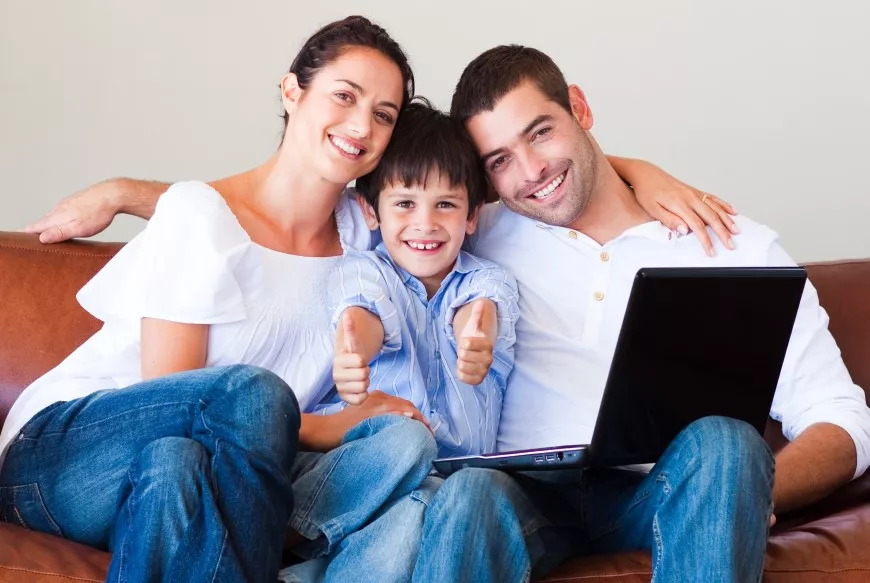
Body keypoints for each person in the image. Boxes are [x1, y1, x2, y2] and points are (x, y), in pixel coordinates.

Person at [0, 16, 442, 583]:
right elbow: (178, 398)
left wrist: (130, 193)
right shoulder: (199, 215)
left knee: (176, 470)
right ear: (292, 91)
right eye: (344, 96)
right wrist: (334, 426)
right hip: (61, 456)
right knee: (245, 394)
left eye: (383, 115)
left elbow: (463, 196)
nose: (361, 124)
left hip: (180, 468)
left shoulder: (365, 234)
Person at [409, 45, 870, 583]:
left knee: (726, 442)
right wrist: (635, 170)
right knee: (467, 492)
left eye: (540, 133)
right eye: (500, 160)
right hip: (524, 495)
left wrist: (744, 490)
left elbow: (843, 422)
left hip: (664, 492)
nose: (531, 172)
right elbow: (367, 200)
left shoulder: (732, 246)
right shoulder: (471, 229)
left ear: (579, 108)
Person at [318, 98, 519, 457]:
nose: (425, 224)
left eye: (445, 204)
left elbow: (475, 311)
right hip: (378, 460)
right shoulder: (365, 270)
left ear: (472, 215)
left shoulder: (486, 278)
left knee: (476, 488)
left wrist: (475, 339)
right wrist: (355, 354)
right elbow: (365, 315)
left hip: (461, 474)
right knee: (407, 441)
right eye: (405, 204)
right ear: (371, 211)